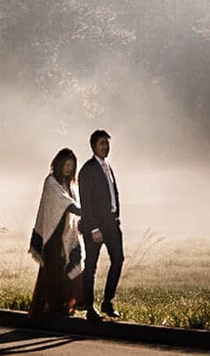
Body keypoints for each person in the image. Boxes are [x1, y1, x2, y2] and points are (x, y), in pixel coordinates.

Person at [27, 147, 84, 318]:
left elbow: (72, 204)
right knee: (52, 271)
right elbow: (65, 203)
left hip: (65, 232)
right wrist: (84, 211)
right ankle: (51, 308)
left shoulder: (70, 185)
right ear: (59, 164)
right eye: (66, 164)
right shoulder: (51, 182)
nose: (68, 168)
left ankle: (66, 306)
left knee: (66, 268)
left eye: (71, 166)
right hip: (52, 234)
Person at [77, 128, 124, 321]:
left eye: (107, 143)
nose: (106, 146)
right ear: (94, 146)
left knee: (118, 260)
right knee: (91, 266)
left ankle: (107, 302)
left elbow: (113, 194)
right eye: (102, 143)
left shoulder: (107, 166)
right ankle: (89, 307)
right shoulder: (88, 169)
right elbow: (85, 203)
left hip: (112, 224)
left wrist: (117, 217)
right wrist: (93, 228)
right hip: (95, 227)